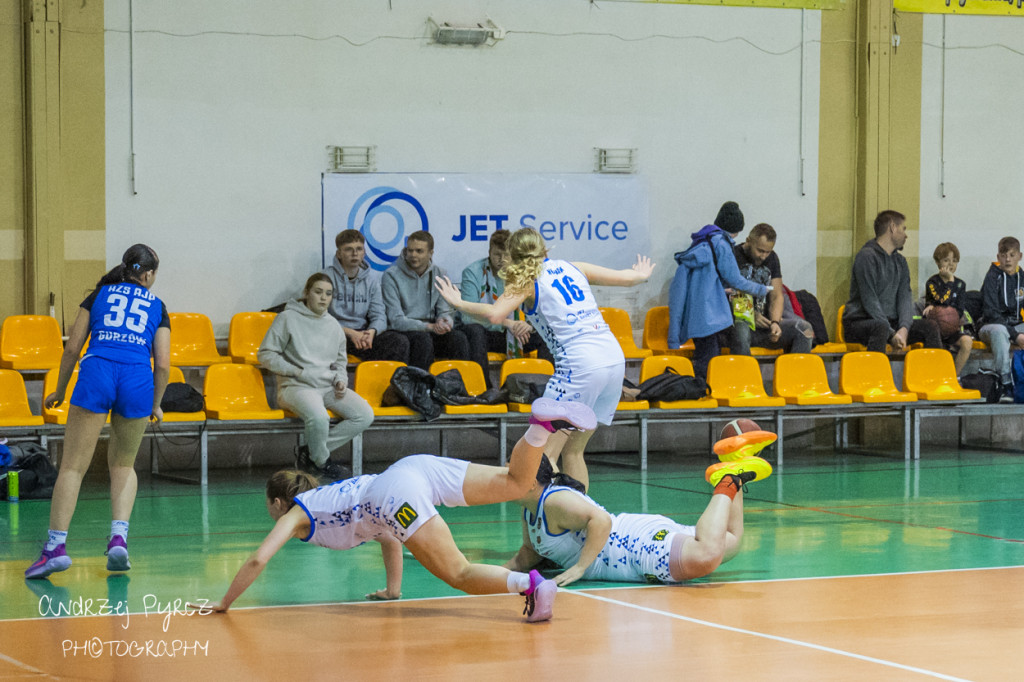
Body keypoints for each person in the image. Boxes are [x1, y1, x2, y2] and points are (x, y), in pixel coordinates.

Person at [190, 398, 598, 622]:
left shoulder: (298, 513)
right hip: (409, 469)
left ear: (278, 502)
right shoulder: (332, 500)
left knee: (458, 572)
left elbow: (260, 558)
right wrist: (393, 590)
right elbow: (386, 534)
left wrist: (225, 603)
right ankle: (540, 427)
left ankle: (531, 586)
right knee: (518, 483)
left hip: (390, 493)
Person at [435, 226, 654, 491]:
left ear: (512, 257)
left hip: (580, 366)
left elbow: (494, 314)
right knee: (573, 452)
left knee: (543, 457)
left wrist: (459, 303)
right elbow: (626, 278)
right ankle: (581, 518)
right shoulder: (573, 267)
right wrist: (641, 274)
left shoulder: (527, 281)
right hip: (612, 361)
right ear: (545, 248)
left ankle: (557, 524)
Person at [25, 244, 170, 579]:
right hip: (136, 378)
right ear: (148, 275)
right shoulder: (158, 306)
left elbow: (72, 348)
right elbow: (162, 364)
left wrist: (60, 390)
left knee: (73, 468)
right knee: (123, 465)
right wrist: (156, 403)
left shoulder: (100, 294)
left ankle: (55, 547)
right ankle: (119, 538)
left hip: (97, 373)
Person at [504, 453, 772, 586]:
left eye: (510, 473)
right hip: (637, 539)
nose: (504, 478)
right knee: (732, 542)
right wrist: (490, 574)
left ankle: (727, 482)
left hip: (634, 546)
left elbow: (601, 521)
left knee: (708, 553)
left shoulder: (554, 501)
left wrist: (580, 568)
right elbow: (529, 554)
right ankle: (736, 463)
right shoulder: (530, 508)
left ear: (530, 482)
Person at [259, 273, 374, 481]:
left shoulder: (333, 325)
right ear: (306, 293)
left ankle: (311, 453)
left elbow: (340, 361)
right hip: (295, 386)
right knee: (320, 417)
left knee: (364, 414)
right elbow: (266, 355)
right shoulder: (287, 318)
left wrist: (341, 380)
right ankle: (321, 462)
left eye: (328, 294)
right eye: (318, 292)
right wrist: (296, 371)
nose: (323, 298)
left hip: (328, 385)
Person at [667, 201, 770, 380]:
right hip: (710, 317)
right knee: (708, 365)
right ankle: (705, 398)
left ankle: (703, 396)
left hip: (696, 317)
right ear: (736, 229)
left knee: (704, 359)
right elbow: (736, 279)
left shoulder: (700, 245)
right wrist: (761, 289)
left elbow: (697, 288)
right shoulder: (721, 244)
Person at [842, 210, 942, 353]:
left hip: (889, 323)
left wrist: (904, 329)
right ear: (892, 227)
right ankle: (876, 375)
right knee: (880, 328)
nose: (906, 235)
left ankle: (933, 375)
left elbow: (905, 298)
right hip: (860, 323)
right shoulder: (866, 257)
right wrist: (891, 333)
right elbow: (870, 301)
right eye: (903, 229)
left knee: (930, 327)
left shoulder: (900, 262)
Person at [381, 231, 474, 371]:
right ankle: (421, 389)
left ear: (431, 253)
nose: (413, 255)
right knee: (422, 340)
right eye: (410, 250)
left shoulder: (440, 274)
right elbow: (395, 320)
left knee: (458, 338)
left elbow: (445, 311)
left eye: (419, 251)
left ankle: (458, 386)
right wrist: (428, 327)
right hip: (404, 331)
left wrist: (445, 322)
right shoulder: (391, 275)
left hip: (430, 330)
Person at [459, 229, 553, 365]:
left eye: (506, 255)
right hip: (488, 333)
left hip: (519, 333)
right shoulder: (472, 272)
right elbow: (467, 317)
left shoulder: (521, 272)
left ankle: (544, 382)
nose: (502, 260)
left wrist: (529, 326)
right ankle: (484, 385)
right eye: (497, 254)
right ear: (489, 252)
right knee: (475, 331)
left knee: (546, 332)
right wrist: (508, 323)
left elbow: (538, 308)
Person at [726, 222, 814, 356]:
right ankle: (746, 375)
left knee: (804, 329)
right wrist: (751, 315)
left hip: (765, 324)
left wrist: (775, 322)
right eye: (760, 250)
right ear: (749, 241)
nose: (763, 256)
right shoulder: (733, 255)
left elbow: (776, 295)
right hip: (740, 322)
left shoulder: (772, 258)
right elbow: (729, 292)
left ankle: (792, 376)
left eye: (768, 251)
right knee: (741, 329)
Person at [322, 229, 409, 363]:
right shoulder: (325, 278)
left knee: (399, 342)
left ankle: (387, 382)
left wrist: (371, 332)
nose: (355, 253)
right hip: (336, 334)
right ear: (339, 254)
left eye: (359, 249)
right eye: (348, 249)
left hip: (363, 334)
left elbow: (379, 315)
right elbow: (319, 318)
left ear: (364, 253)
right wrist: (350, 333)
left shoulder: (371, 281)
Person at [978, 236, 1024, 396]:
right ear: (998, 257)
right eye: (1004, 255)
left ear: (1020, 256)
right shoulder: (992, 277)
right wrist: (1016, 335)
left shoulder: (1022, 279)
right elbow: (991, 313)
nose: (1008, 259)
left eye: (1012, 255)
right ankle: (1005, 382)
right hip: (990, 326)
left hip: (1015, 326)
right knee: (999, 331)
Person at [923, 242, 973, 375]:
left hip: (952, 328)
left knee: (967, 342)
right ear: (938, 262)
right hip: (935, 330)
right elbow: (942, 300)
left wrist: (949, 316)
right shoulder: (932, 282)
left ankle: (953, 376)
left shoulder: (961, 284)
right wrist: (950, 281)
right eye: (946, 260)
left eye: (954, 261)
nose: (951, 264)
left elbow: (959, 309)